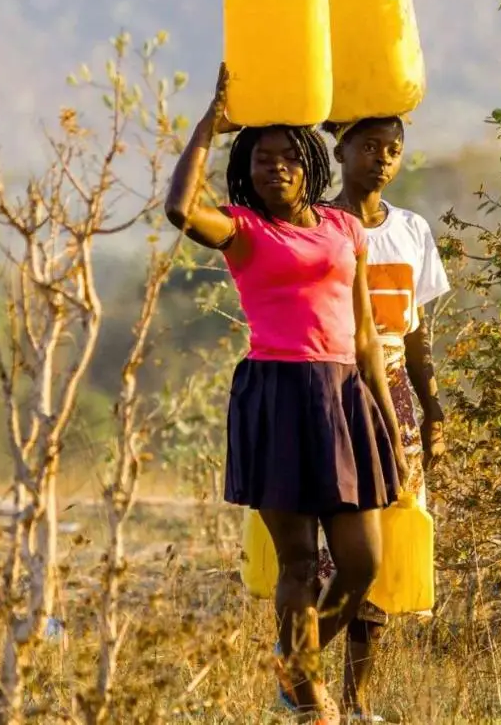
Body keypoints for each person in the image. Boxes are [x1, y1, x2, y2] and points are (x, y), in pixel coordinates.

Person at [164, 66, 409, 725]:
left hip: (345, 395)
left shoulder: (344, 228)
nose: (275, 169)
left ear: (309, 165)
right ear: (249, 170)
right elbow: (181, 210)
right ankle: (308, 697)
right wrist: (211, 127)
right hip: (276, 394)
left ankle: (291, 663)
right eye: (262, 160)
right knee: (298, 563)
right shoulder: (243, 230)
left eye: (287, 159)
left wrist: (388, 428)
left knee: (361, 564)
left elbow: (364, 337)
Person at [314, 116, 451, 723]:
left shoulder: (412, 231)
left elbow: (417, 338)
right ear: (339, 149)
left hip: (392, 388)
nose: (382, 160)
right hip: (330, 384)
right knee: (331, 544)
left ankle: (357, 697)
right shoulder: (316, 225)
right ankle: (301, 676)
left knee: (388, 539)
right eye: (369, 147)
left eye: (393, 150)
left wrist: (432, 410)